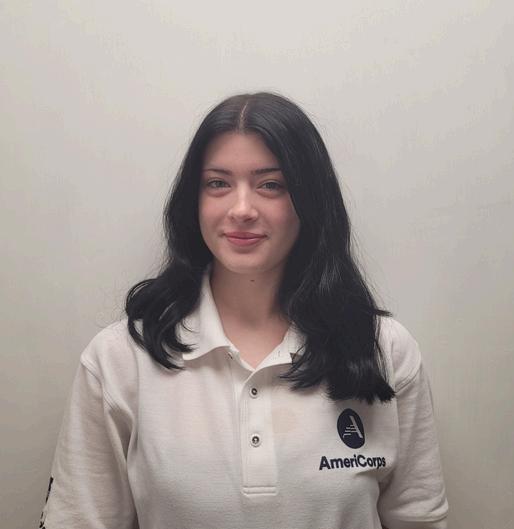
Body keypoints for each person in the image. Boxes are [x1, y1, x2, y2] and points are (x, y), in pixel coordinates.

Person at [38, 91, 449, 529]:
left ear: (309, 200)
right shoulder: (120, 358)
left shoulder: (383, 350)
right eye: (218, 183)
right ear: (194, 200)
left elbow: (419, 519)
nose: (241, 210)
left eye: (270, 185)